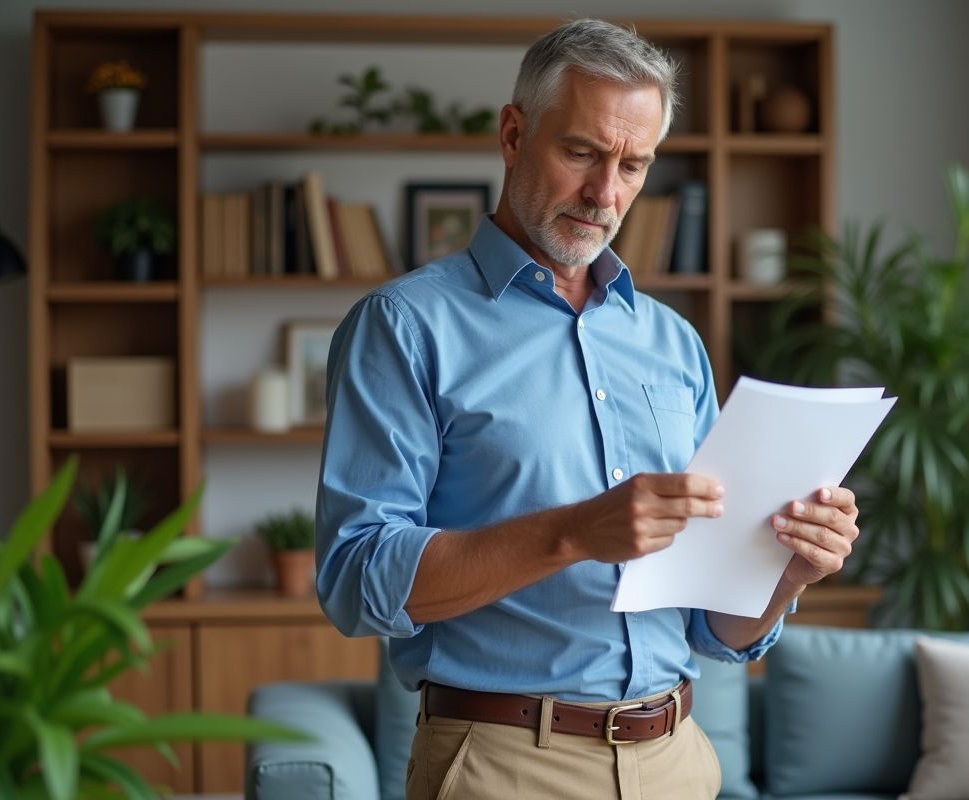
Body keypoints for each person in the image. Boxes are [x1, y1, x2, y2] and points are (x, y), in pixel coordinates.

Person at [315, 18, 860, 800]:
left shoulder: (673, 343)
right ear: (512, 134)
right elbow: (355, 577)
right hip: (503, 764)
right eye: (582, 153)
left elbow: (713, 629)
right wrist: (573, 532)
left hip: (678, 759)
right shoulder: (405, 327)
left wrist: (787, 572)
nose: (606, 193)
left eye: (634, 165)